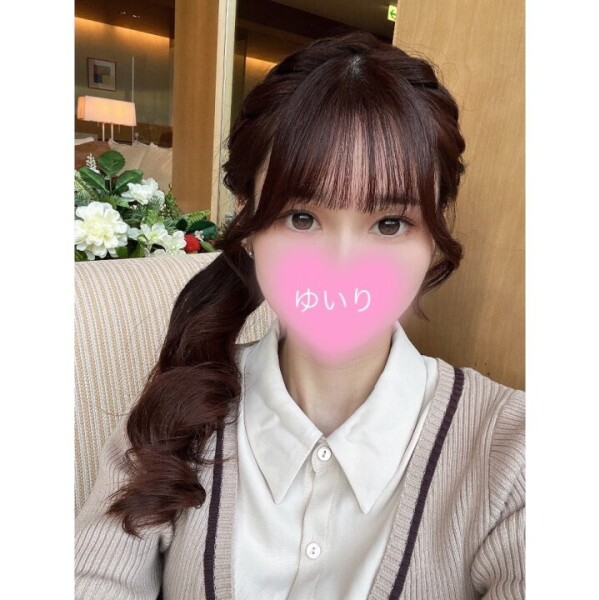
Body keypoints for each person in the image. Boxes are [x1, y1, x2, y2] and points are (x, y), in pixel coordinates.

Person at [75, 30, 525, 600]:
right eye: (302, 218)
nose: (342, 266)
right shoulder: (174, 410)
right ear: (247, 224)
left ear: (434, 236)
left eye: (389, 224)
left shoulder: (514, 451)